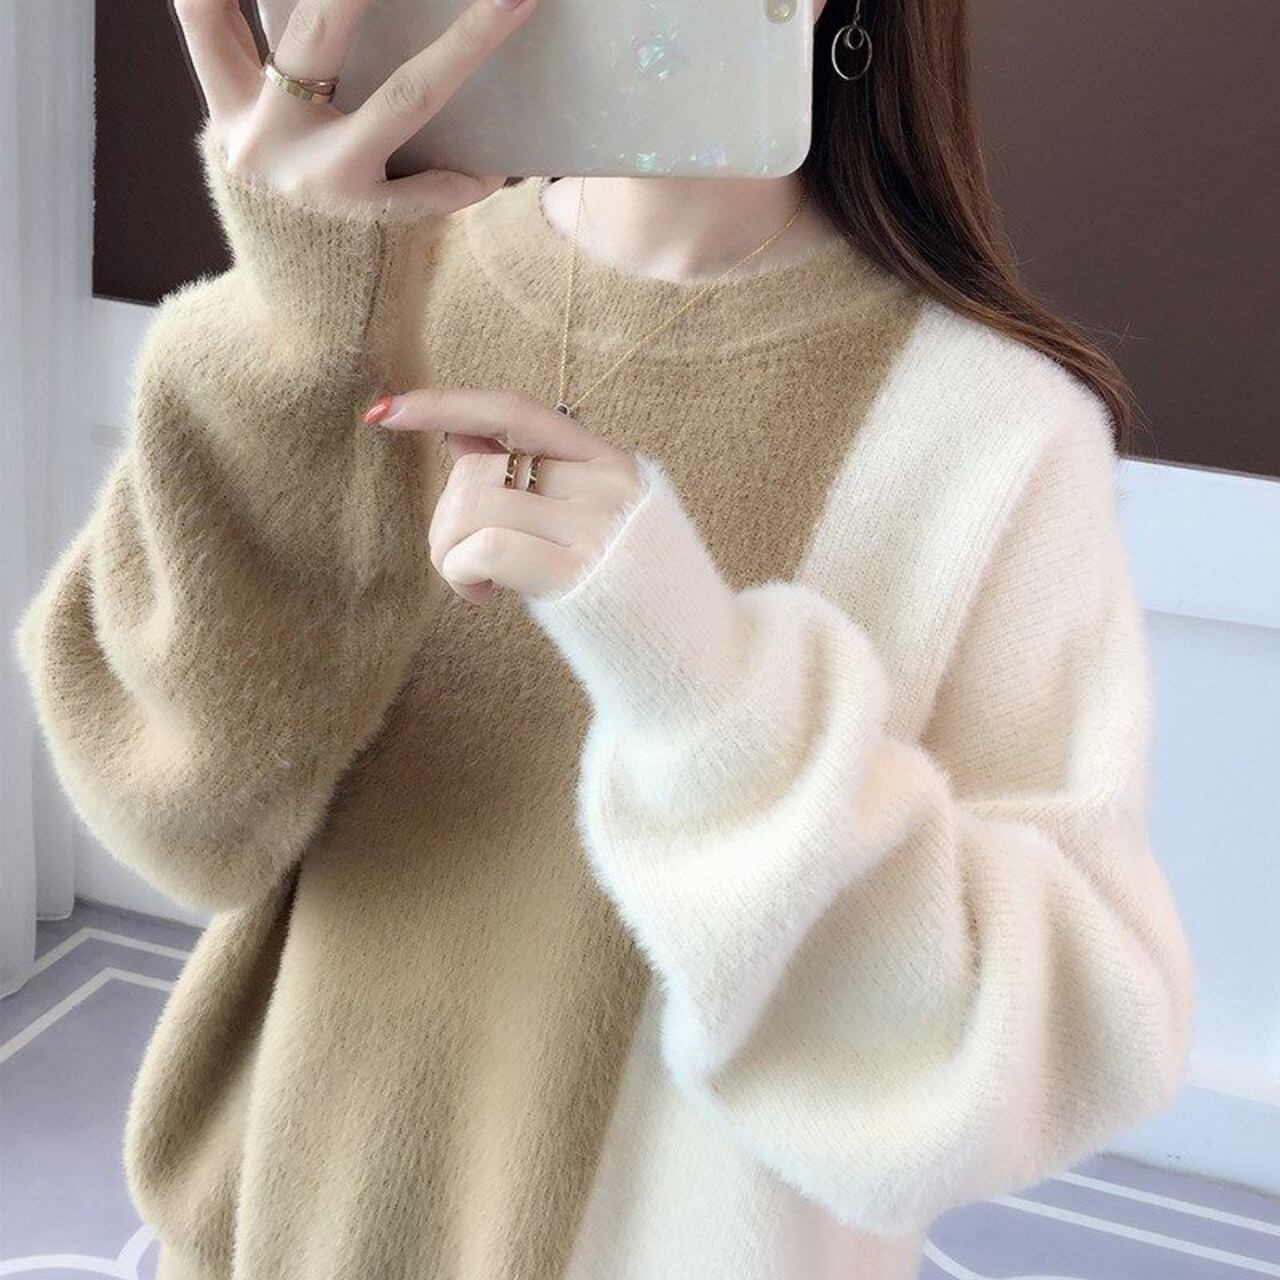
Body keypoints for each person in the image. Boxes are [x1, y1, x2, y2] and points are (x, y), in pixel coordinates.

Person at [13, 0, 1196, 1276]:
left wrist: (707, 690)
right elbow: (177, 815)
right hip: (285, 1229)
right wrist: (292, 326)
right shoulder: (362, 285)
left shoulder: (994, 435)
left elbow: (1052, 1041)